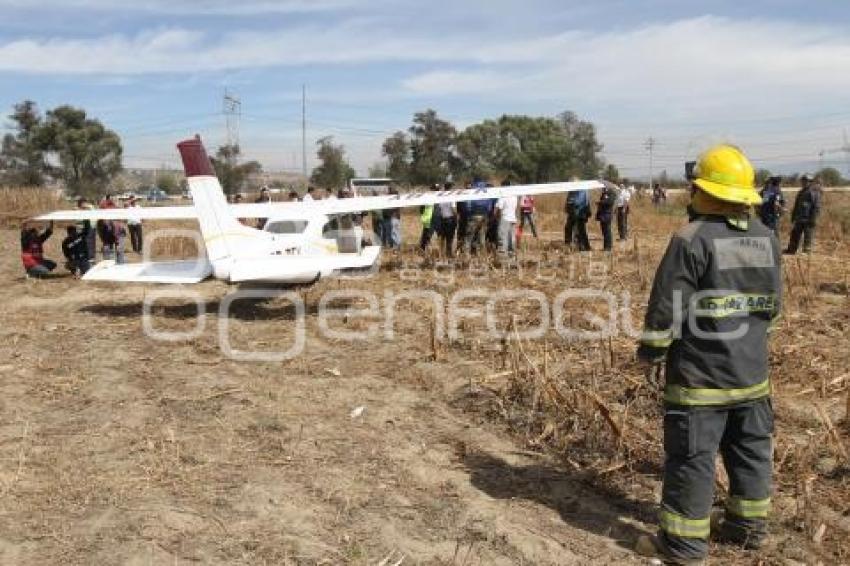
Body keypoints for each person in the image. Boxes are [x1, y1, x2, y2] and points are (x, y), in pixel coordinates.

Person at [635, 144, 780, 564]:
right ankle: (747, 528)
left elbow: (667, 306)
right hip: (753, 375)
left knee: (692, 459)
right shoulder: (767, 238)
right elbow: (773, 309)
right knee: (751, 451)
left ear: (706, 192)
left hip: (701, 380)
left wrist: (651, 352)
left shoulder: (691, 239)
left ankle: (682, 546)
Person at [784, 174, 821, 254]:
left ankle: (806, 251)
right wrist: (793, 216)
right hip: (799, 218)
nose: (803, 183)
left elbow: (816, 207)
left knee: (808, 235)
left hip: (808, 219)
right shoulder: (801, 192)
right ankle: (791, 250)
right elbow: (796, 205)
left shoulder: (814, 193)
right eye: (803, 181)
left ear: (810, 182)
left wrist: (813, 219)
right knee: (794, 234)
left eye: (805, 181)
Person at [464, 181, 494, 255]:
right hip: (484, 217)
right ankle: (481, 254)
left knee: (469, 237)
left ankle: (466, 253)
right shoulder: (487, 194)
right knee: (482, 236)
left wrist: (470, 213)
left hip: (473, 216)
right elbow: (489, 208)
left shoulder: (472, 193)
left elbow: (468, 207)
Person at [434, 182, 458, 257]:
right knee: (449, 238)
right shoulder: (451, 196)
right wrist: (456, 217)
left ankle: (441, 254)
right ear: (450, 188)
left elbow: (439, 208)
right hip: (450, 219)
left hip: (442, 219)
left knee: (442, 238)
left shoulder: (441, 196)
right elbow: (453, 209)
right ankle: (449, 254)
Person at [496, 190, 518, 256]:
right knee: (512, 237)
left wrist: (497, 217)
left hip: (505, 218)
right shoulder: (514, 196)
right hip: (513, 219)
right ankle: (512, 253)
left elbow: (499, 207)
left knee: (503, 236)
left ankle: (503, 254)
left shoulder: (503, 196)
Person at [596, 183, 616, 251]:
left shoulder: (612, 193)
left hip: (607, 214)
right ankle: (605, 247)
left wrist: (600, 202)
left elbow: (610, 202)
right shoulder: (604, 193)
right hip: (602, 214)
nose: (603, 187)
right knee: (604, 231)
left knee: (607, 231)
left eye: (604, 186)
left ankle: (608, 247)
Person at [419, 184, 439, 251]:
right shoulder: (427, 197)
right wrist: (423, 216)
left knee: (434, 235)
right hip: (429, 219)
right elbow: (421, 208)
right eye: (436, 189)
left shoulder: (440, 196)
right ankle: (423, 249)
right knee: (427, 235)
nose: (437, 191)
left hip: (436, 218)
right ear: (432, 189)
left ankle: (425, 248)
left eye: (437, 189)